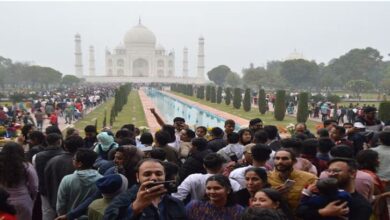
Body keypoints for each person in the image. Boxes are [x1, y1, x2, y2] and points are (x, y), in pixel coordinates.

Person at [103, 158, 187, 219]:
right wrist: (135, 208)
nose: (154, 178)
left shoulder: (176, 203)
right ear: (137, 177)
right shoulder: (123, 200)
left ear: (164, 176)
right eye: (147, 174)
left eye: (159, 174)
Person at [298, 158, 372, 220]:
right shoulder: (319, 193)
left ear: (352, 173)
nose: (330, 174)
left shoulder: (361, 205)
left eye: (336, 171)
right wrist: (322, 212)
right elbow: (301, 212)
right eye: (329, 171)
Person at [173, 153, 241, 202]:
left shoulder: (193, 178)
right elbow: (239, 200)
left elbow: (178, 196)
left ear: (204, 166)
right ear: (222, 166)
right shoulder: (232, 182)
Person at [56, 149, 102, 217]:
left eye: (74, 159)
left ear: (79, 164)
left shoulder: (67, 179)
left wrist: (63, 216)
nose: (72, 160)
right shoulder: (102, 179)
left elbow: (61, 204)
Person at [44, 135, 84, 213]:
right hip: (77, 206)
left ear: (65, 146)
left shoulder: (52, 161)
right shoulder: (84, 163)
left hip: (56, 202)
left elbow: (47, 182)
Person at [0, 142, 38, 220]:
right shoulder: (26, 166)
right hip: (22, 199)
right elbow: (34, 185)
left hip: (3, 201)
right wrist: (33, 197)